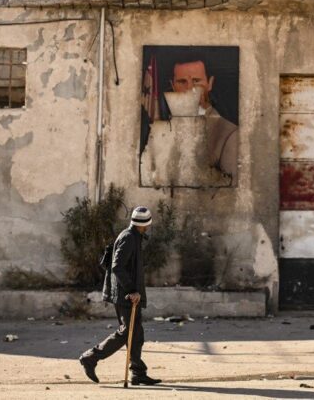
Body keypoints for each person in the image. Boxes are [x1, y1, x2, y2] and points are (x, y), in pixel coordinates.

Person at [78, 206, 161, 386]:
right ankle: (90, 358)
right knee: (127, 332)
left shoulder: (134, 236)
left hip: (129, 293)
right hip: (126, 295)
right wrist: (132, 290)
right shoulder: (129, 238)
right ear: (145, 224)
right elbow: (117, 266)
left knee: (136, 333)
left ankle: (138, 372)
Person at [170, 60, 238, 177]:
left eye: (196, 81)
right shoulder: (163, 129)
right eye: (182, 82)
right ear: (172, 86)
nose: (190, 89)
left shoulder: (230, 134)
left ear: (210, 83)